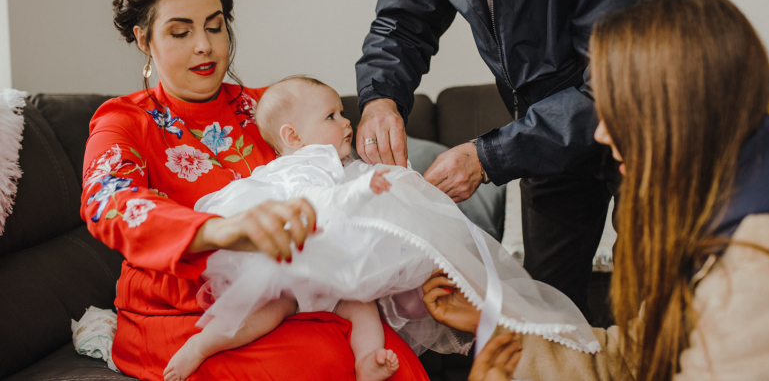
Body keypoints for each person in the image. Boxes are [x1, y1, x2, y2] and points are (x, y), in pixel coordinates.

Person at [355, 0, 684, 316]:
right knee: (546, 306)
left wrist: (489, 156)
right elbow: (402, 23)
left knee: (652, 297)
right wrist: (380, 97)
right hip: (543, 138)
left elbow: (618, 83)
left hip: (642, 128)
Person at [81, 0, 430, 381]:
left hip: (297, 294)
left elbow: (343, 184)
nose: (204, 45)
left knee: (391, 362)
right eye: (180, 32)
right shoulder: (124, 120)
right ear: (143, 39)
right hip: (183, 310)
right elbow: (108, 201)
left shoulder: (268, 109)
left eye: (214, 27)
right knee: (321, 364)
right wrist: (219, 230)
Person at [421, 0, 769, 381]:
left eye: (616, 109)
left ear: (676, 114)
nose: (601, 134)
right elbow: (633, 358)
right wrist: (495, 323)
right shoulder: (715, 202)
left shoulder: (764, 261)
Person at [167, 76, 601, 381]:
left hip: (332, 270)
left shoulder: (338, 162)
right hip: (292, 258)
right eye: (332, 115)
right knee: (268, 308)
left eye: (343, 113)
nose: (346, 122)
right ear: (292, 136)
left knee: (362, 309)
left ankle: (368, 362)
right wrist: (361, 190)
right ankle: (202, 346)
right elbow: (316, 204)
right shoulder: (302, 165)